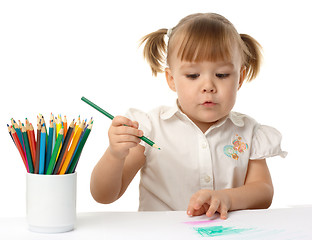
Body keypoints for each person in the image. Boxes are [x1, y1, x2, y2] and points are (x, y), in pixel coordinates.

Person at [90, 12, 287, 219]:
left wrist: (227, 198)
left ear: (240, 78)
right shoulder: (149, 128)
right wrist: (114, 154)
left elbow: (263, 192)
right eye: (193, 75)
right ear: (171, 79)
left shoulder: (249, 131)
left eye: (222, 75)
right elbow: (103, 195)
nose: (208, 86)